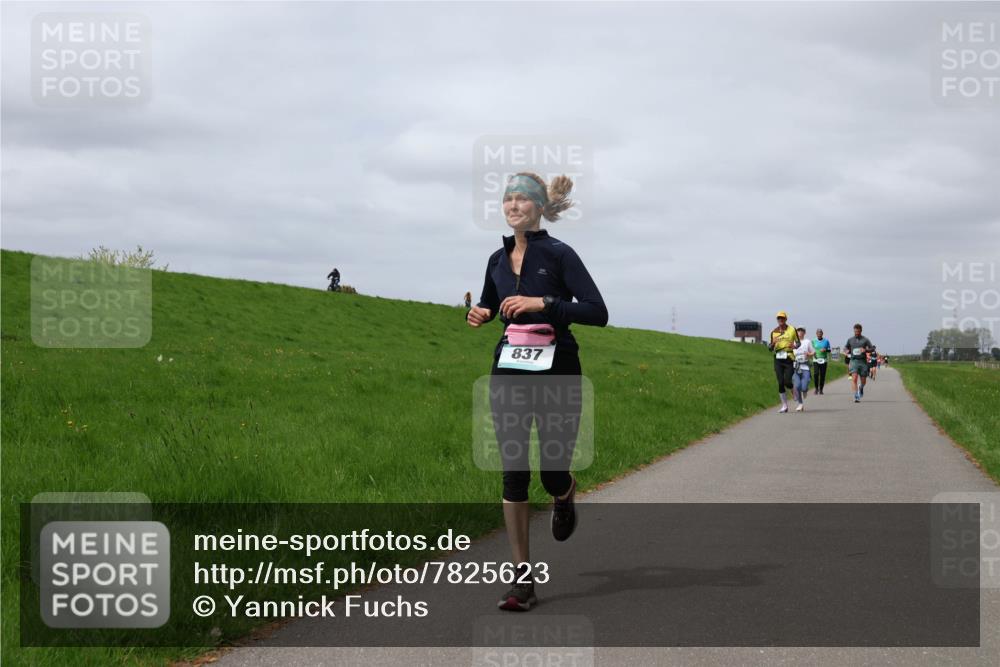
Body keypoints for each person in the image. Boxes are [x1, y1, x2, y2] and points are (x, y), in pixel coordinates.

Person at [467, 172, 607, 611]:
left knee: (549, 471)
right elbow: (492, 302)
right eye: (507, 199)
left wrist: (543, 304)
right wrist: (482, 313)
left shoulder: (561, 255)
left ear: (540, 208)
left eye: (522, 199)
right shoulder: (495, 259)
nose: (513, 206)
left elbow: (597, 312)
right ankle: (521, 578)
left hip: (557, 368)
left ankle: (563, 493)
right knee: (513, 471)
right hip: (509, 367)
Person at [768, 311, 800, 414]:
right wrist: (773, 343)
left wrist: (794, 346)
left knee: (787, 381)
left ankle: (793, 389)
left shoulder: (792, 329)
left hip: (789, 357)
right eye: (779, 318)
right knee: (780, 382)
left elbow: (798, 342)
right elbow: (769, 348)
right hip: (778, 359)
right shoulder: (774, 332)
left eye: (782, 318)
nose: (780, 320)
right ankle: (784, 406)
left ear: (786, 319)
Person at [844, 323, 874, 403]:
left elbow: (872, 348)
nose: (856, 333)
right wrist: (846, 351)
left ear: (861, 331)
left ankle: (861, 387)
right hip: (854, 361)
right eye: (855, 331)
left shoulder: (865, 339)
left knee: (863, 381)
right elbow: (845, 347)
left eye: (858, 331)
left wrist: (866, 350)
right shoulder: (850, 339)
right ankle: (856, 396)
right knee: (854, 378)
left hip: (863, 361)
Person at [791, 327, 814, 411]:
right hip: (795, 367)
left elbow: (813, 352)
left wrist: (809, 354)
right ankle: (800, 404)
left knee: (803, 387)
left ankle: (805, 390)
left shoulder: (807, 342)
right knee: (797, 386)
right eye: (798, 331)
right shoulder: (793, 342)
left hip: (805, 367)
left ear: (804, 333)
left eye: (802, 331)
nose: (800, 332)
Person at [812, 328, 832, 395]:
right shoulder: (813, 341)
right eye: (818, 333)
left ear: (822, 334)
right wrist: (813, 353)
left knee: (822, 375)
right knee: (816, 374)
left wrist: (825, 349)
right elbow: (811, 350)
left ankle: (821, 389)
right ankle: (816, 389)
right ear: (816, 334)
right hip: (816, 360)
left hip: (824, 360)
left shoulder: (826, 341)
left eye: (820, 333)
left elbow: (829, 350)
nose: (819, 334)